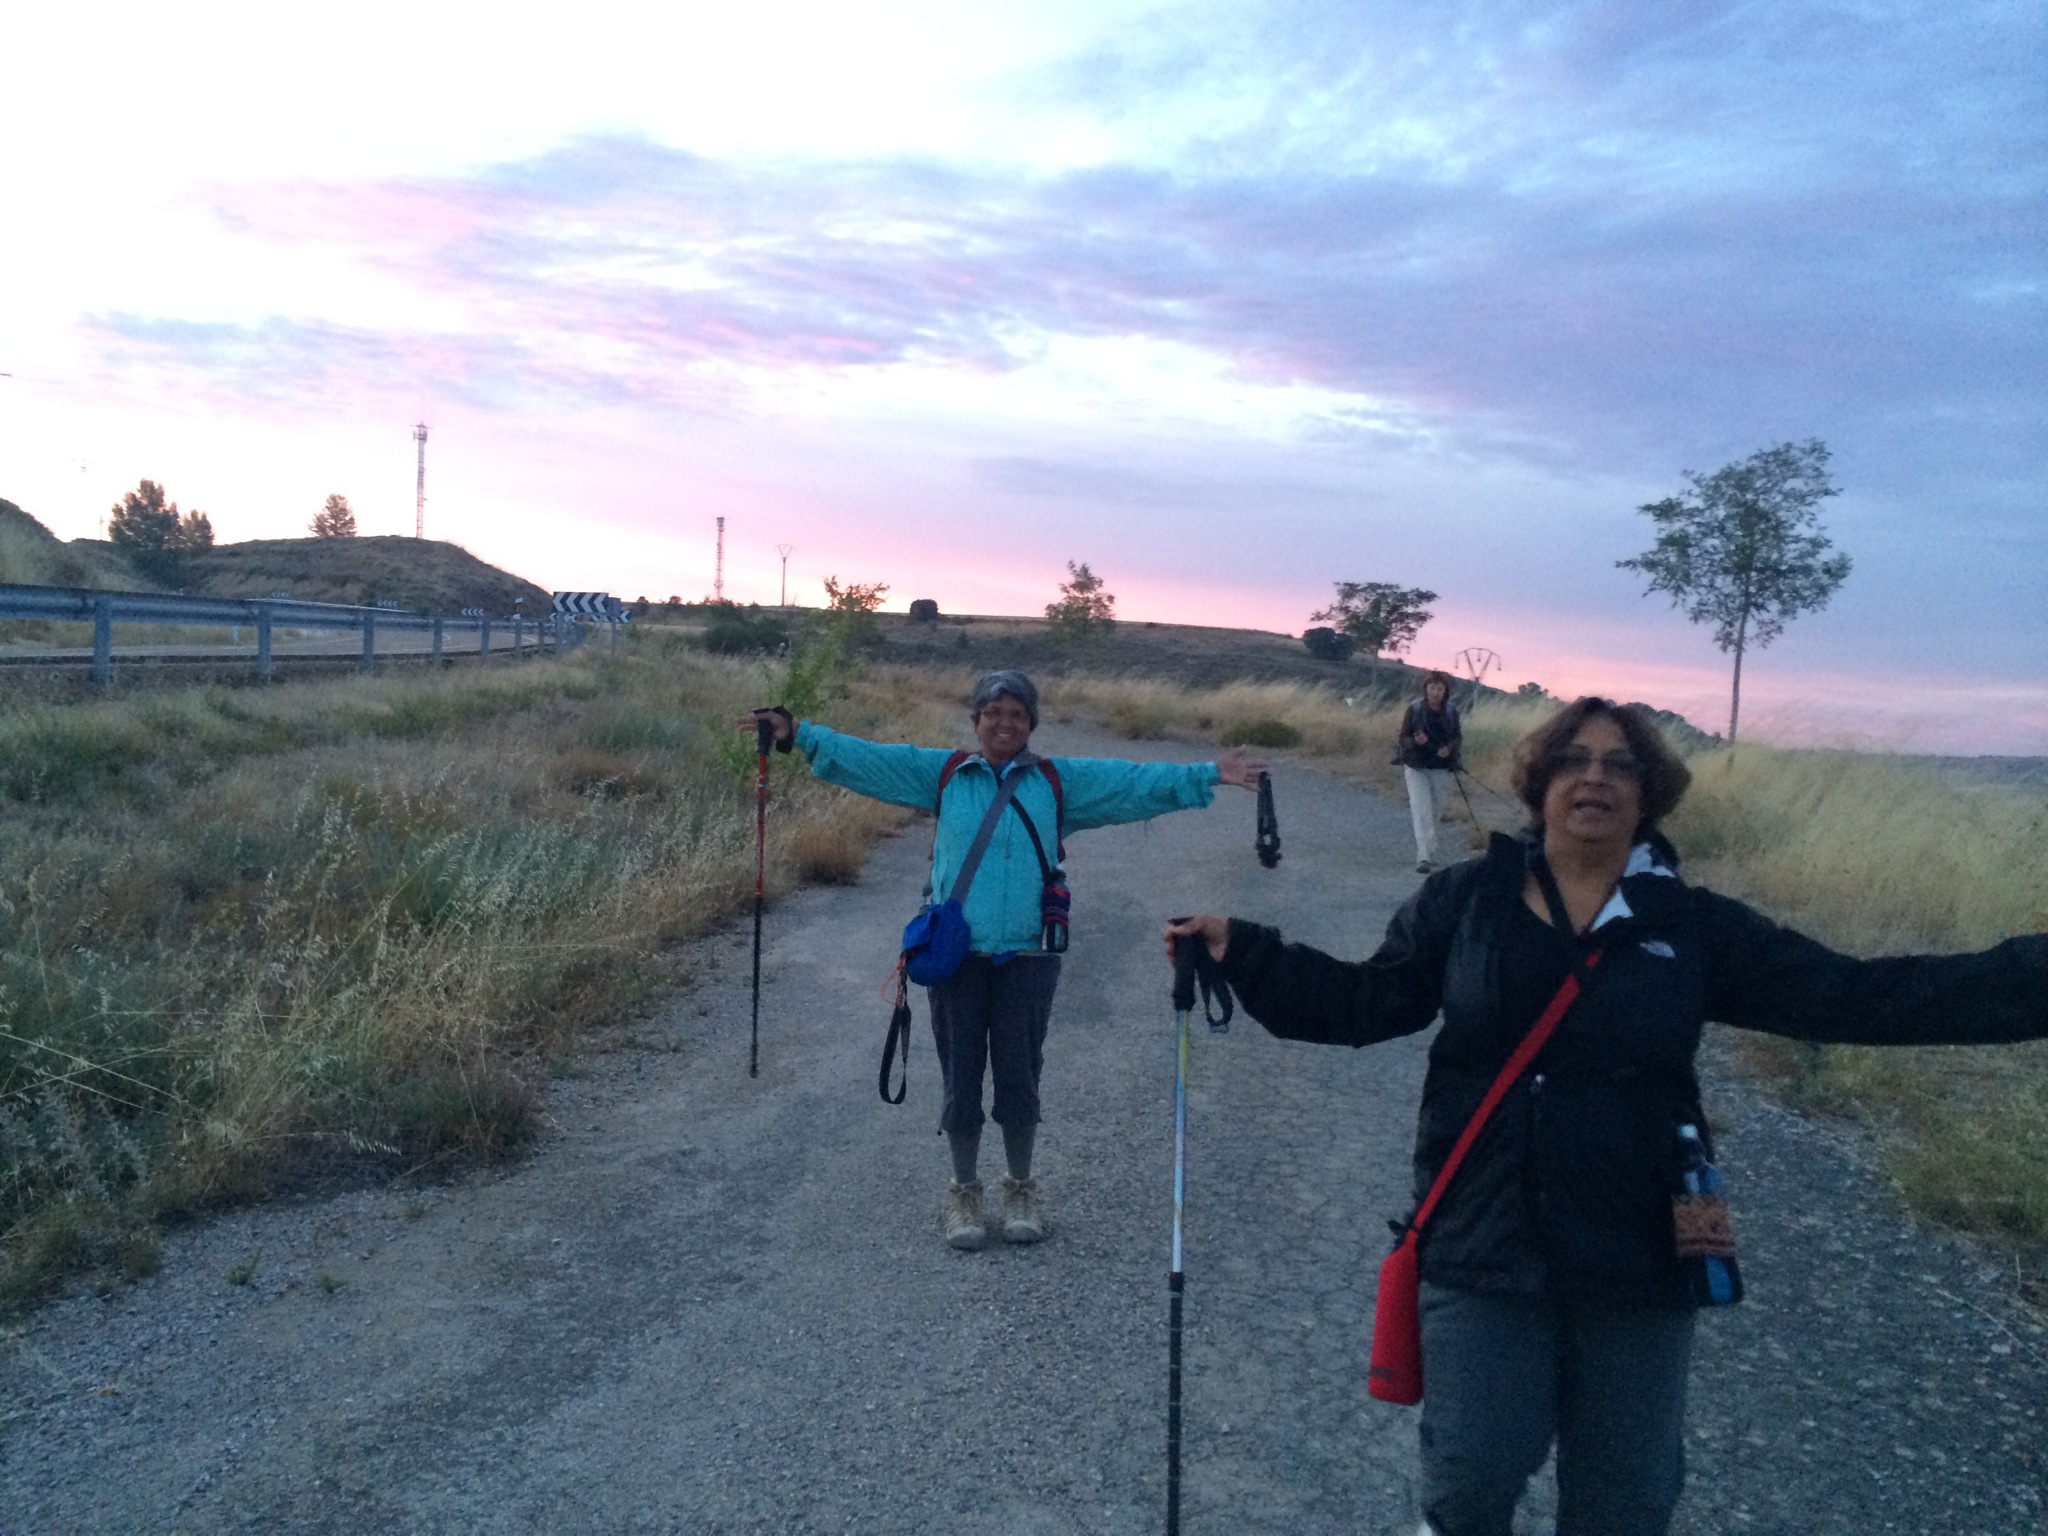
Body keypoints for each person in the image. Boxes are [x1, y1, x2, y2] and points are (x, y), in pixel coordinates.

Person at [1165, 696, 2046, 1536]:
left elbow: (1853, 996)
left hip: (1640, 1248)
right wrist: (1249, 953)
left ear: (1649, 793)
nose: (1595, 778)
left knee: (1627, 1495)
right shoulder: (1466, 902)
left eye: (1621, 766)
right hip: (1482, 1238)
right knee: (1471, 1472)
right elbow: (1367, 1002)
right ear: (1539, 782)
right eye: (1574, 761)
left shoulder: (1691, 925)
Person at [743, 670, 1264, 1251]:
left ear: (1031, 724)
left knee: (1019, 1077)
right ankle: (963, 1191)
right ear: (976, 721)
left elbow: (1132, 782)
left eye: (1017, 714)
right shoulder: (944, 774)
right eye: (993, 713)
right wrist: (799, 734)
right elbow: (870, 760)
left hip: (1029, 956)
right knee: (960, 1077)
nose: (1005, 724)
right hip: (955, 957)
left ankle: (1020, 1188)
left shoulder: (1056, 782)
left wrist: (1208, 774)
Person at [1396, 670, 1463, 873]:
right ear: (1425, 689)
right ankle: (1423, 855)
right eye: (1432, 688)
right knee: (1420, 808)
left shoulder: (1451, 712)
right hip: (1416, 766)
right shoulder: (1414, 709)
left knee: (1436, 810)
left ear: (1445, 691)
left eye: (1439, 688)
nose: (1435, 692)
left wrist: (1448, 749)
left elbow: (1457, 738)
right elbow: (1403, 737)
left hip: (1442, 768)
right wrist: (1415, 742)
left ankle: (1430, 848)